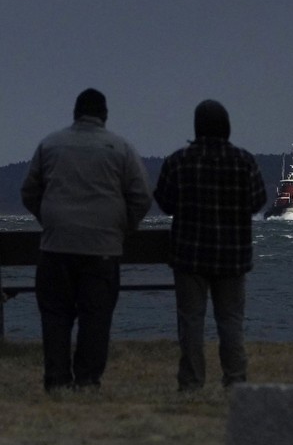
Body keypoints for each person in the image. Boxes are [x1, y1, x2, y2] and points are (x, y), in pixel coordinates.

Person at [21, 88, 153, 391]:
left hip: (56, 247)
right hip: (102, 248)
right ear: (104, 115)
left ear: (75, 113)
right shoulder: (120, 148)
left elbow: (29, 191)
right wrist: (123, 227)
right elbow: (142, 196)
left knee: (55, 315)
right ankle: (88, 379)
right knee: (96, 317)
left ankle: (56, 379)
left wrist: (49, 220)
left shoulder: (49, 145)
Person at [153, 100, 267, 391]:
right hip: (232, 257)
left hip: (189, 255)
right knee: (230, 321)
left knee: (191, 321)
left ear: (196, 127)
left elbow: (165, 203)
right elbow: (257, 201)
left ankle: (192, 381)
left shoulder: (178, 161)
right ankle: (235, 380)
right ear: (227, 127)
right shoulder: (244, 161)